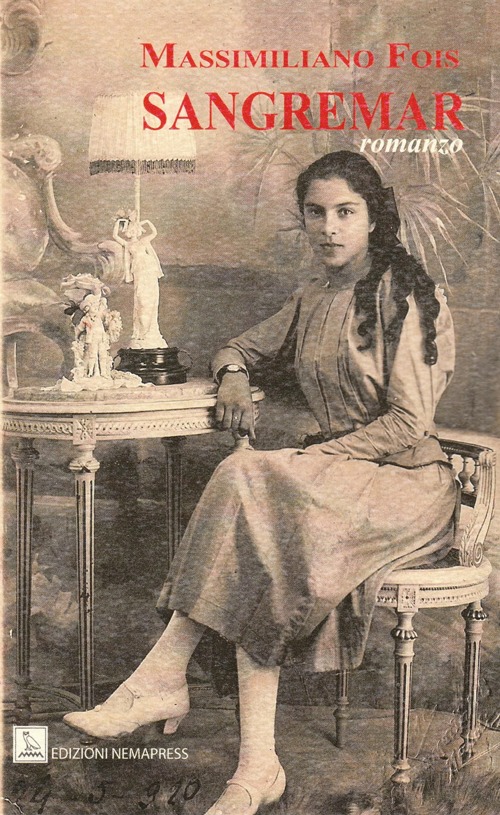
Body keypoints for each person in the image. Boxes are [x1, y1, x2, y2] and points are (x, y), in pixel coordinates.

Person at [64, 151, 457, 815]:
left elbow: (408, 422)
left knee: (251, 475)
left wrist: (318, 455)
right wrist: (234, 377)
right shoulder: (314, 295)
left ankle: (165, 677)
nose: (328, 227)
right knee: (263, 534)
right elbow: (236, 348)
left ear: (373, 218)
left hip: (407, 487)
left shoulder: (405, 295)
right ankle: (256, 764)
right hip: (338, 480)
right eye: (315, 212)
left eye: (345, 212)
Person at [112, 211, 167, 350]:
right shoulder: (127, 245)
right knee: (141, 298)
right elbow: (115, 236)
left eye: (134, 230)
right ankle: (141, 331)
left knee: (150, 297)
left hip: (148, 268)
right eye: (130, 230)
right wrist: (119, 222)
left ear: (138, 231)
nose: (132, 232)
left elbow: (154, 232)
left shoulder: (144, 241)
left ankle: (150, 331)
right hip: (138, 271)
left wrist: (146, 222)